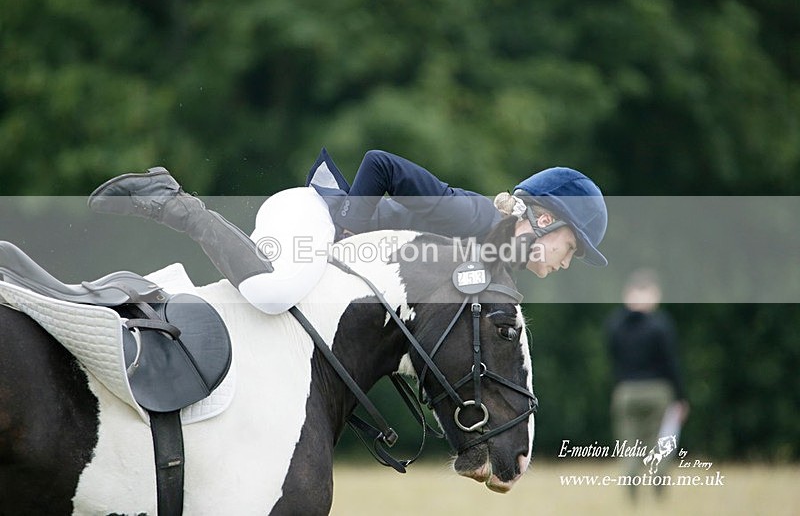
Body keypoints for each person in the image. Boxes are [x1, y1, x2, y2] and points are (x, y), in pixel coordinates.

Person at [88, 149, 608, 313]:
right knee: (273, 294)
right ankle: (174, 204)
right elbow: (380, 164)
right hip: (311, 215)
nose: (564, 261)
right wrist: (351, 238)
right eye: (570, 248)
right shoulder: (473, 219)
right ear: (542, 220)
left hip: (325, 227)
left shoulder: (491, 255)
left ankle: (166, 296)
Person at [606, 269, 689, 498]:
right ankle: (658, 489)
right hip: (658, 391)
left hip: (625, 392)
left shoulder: (615, 325)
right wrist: (681, 397)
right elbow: (671, 364)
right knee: (660, 443)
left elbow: (612, 359)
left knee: (629, 446)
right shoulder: (661, 325)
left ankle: (631, 494)